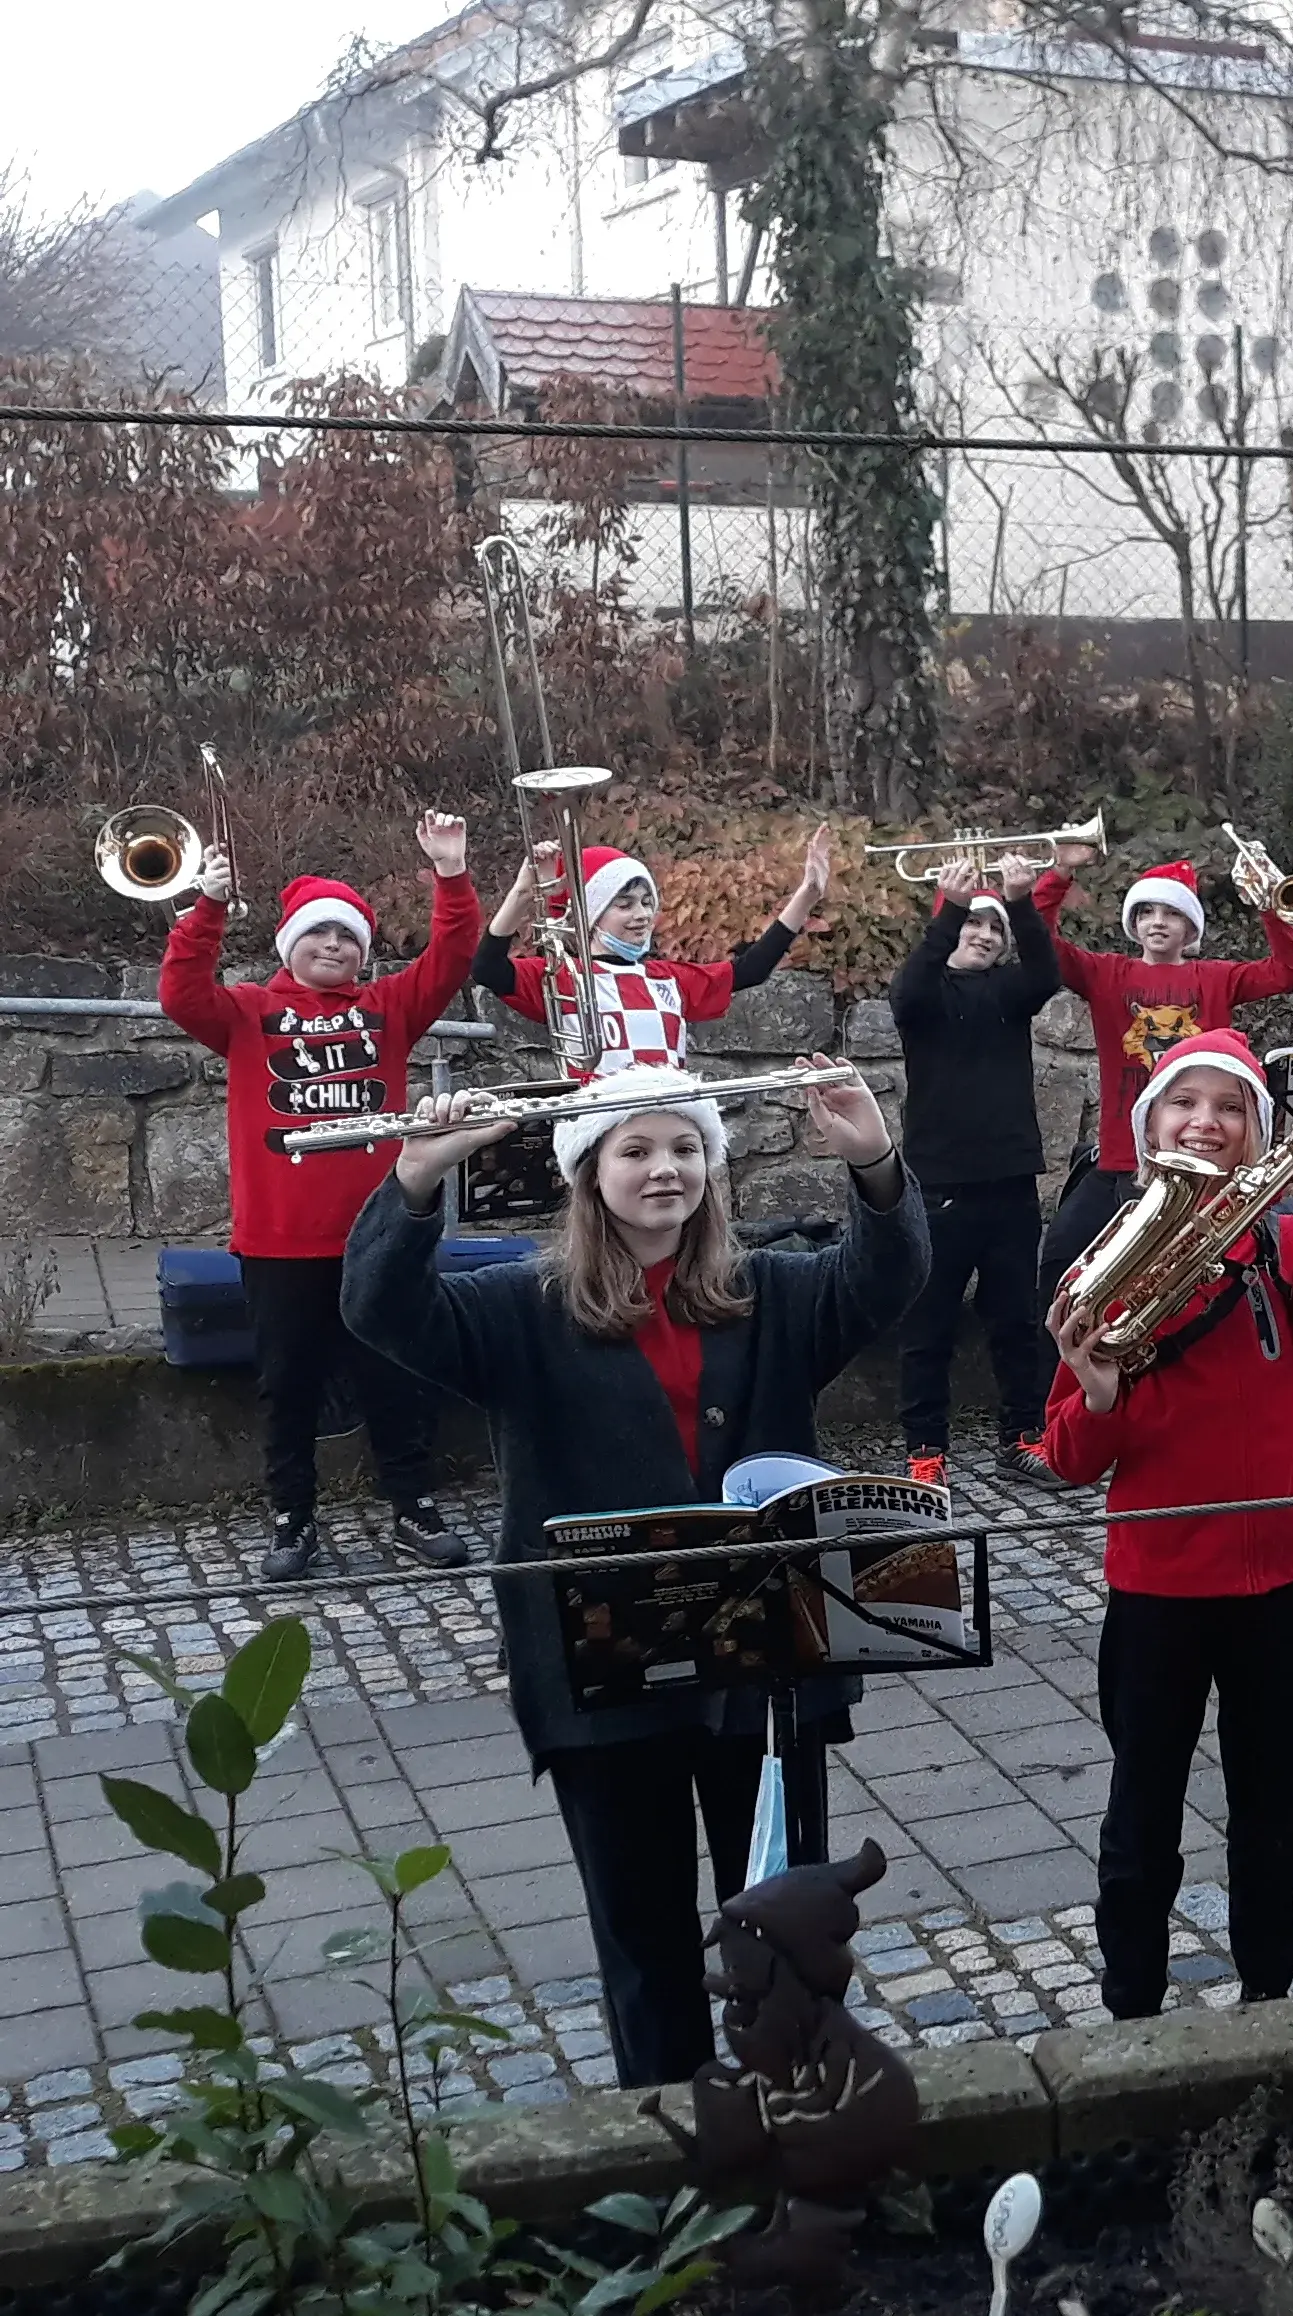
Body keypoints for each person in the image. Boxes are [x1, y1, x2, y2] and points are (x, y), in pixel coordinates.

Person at [339, 1059, 927, 2087]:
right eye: (638, 1150)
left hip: (763, 1676)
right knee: (645, 1943)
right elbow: (383, 1311)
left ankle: (797, 2125)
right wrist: (414, 1181)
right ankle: (676, 2154)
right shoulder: (520, 1309)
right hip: (606, 1684)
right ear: (589, 1173)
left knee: (785, 1925)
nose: (668, 1170)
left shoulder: (769, 1291)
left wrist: (874, 1160)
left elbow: (887, 1277)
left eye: (687, 1147)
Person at [1041, 1032, 1293, 2018]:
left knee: (1271, 1812)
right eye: (1184, 1104)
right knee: (1143, 1815)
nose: (1205, 1121)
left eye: (1229, 1106)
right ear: (1149, 1127)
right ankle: (1133, 2006)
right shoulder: (1109, 1260)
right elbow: (1068, 1459)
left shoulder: (1287, 1244)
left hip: (1276, 1578)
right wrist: (1095, 1395)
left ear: (1256, 1132)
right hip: (1161, 1586)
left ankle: (1271, 1992)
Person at [160, 818, 482, 1581]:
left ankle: (412, 1505)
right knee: (288, 1385)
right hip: (279, 1241)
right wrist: (204, 908)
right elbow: (179, 992)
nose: (333, 947)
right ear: (289, 944)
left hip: (379, 1235)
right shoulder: (244, 1012)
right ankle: (291, 1518)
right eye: (319, 934)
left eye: (348, 938)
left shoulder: (392, 1009)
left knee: (395, 1378)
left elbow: (453, 956)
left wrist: (450, 874)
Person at [1028, 843, 1293, 1381]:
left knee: (1166, 1284)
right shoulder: (1107, 973)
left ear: (1191, 927)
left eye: (1173, 912)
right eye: (1148, 912)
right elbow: (1044, 944)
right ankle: (1062, 1396)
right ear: (1133, 923)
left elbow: (1287, 971)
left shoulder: (1216, 978)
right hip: (1117, 1163)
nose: (1159, 922)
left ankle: (1155, 1385)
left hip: (1196, 1175)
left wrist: (1271, 904)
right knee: (1060, 1266)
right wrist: (1057, 874)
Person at [890, 856, 1065, 1488]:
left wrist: (1020, 901)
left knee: (1016, 1319)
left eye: (995, 930)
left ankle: (1022, 1436)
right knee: (928, 1325)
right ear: (953, 927)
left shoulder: (1011, 993)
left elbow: (1047, 972)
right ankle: (925, 1450)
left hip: (1010, 1181)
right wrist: (951, 905)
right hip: (939, 1187)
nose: (985, 937)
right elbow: (907, 991)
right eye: (974, 925)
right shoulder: (925, 995)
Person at [471, 826, 834, 1078]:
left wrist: (807, 895)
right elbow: (486, 968)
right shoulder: (564, 977)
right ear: (591, 914)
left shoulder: (667, 979)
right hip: (600, 1136)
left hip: (669, 1127)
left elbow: (750, 969)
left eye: (647, 902)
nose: (641, 914)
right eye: (624, 904)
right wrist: (523, 893)